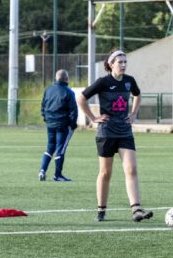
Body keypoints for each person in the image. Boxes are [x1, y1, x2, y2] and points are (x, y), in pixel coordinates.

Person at [77, 50, 153, 223]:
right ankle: (101, 210)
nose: (124, 65)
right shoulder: (103, 82)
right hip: (106, 132)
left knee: (131, 169)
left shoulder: (129, 81)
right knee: (105, 173)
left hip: (124, 131)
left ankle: (136, 209)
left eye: (125, 62)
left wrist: (133, 113)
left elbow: (137, 95)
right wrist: (93, 118)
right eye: (120, 62)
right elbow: (81, 98)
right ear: (111, 64)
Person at [39, 69, 78, 182]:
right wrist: (73, 124)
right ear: (66, 79)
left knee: (50, 148)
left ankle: (42, 170)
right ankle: (57, 175)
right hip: (63, 125)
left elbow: (43, 106)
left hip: (50, 124)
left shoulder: (48, 90)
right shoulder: (69, 92)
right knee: (60, 149)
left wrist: (46, 119)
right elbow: (73, 111)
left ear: (56, 78)